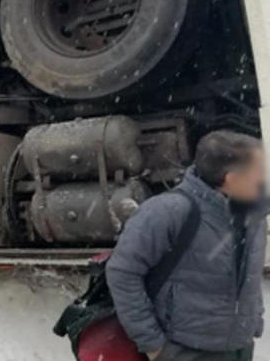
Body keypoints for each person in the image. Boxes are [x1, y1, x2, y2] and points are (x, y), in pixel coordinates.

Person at [107, 130, 268, 361]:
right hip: (184, 350)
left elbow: (248, 272)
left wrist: (253, 319)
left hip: (239, 347)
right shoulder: (168, 211)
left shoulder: (255, 216)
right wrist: (153, 344)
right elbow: (122, 272)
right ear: (232, 179)